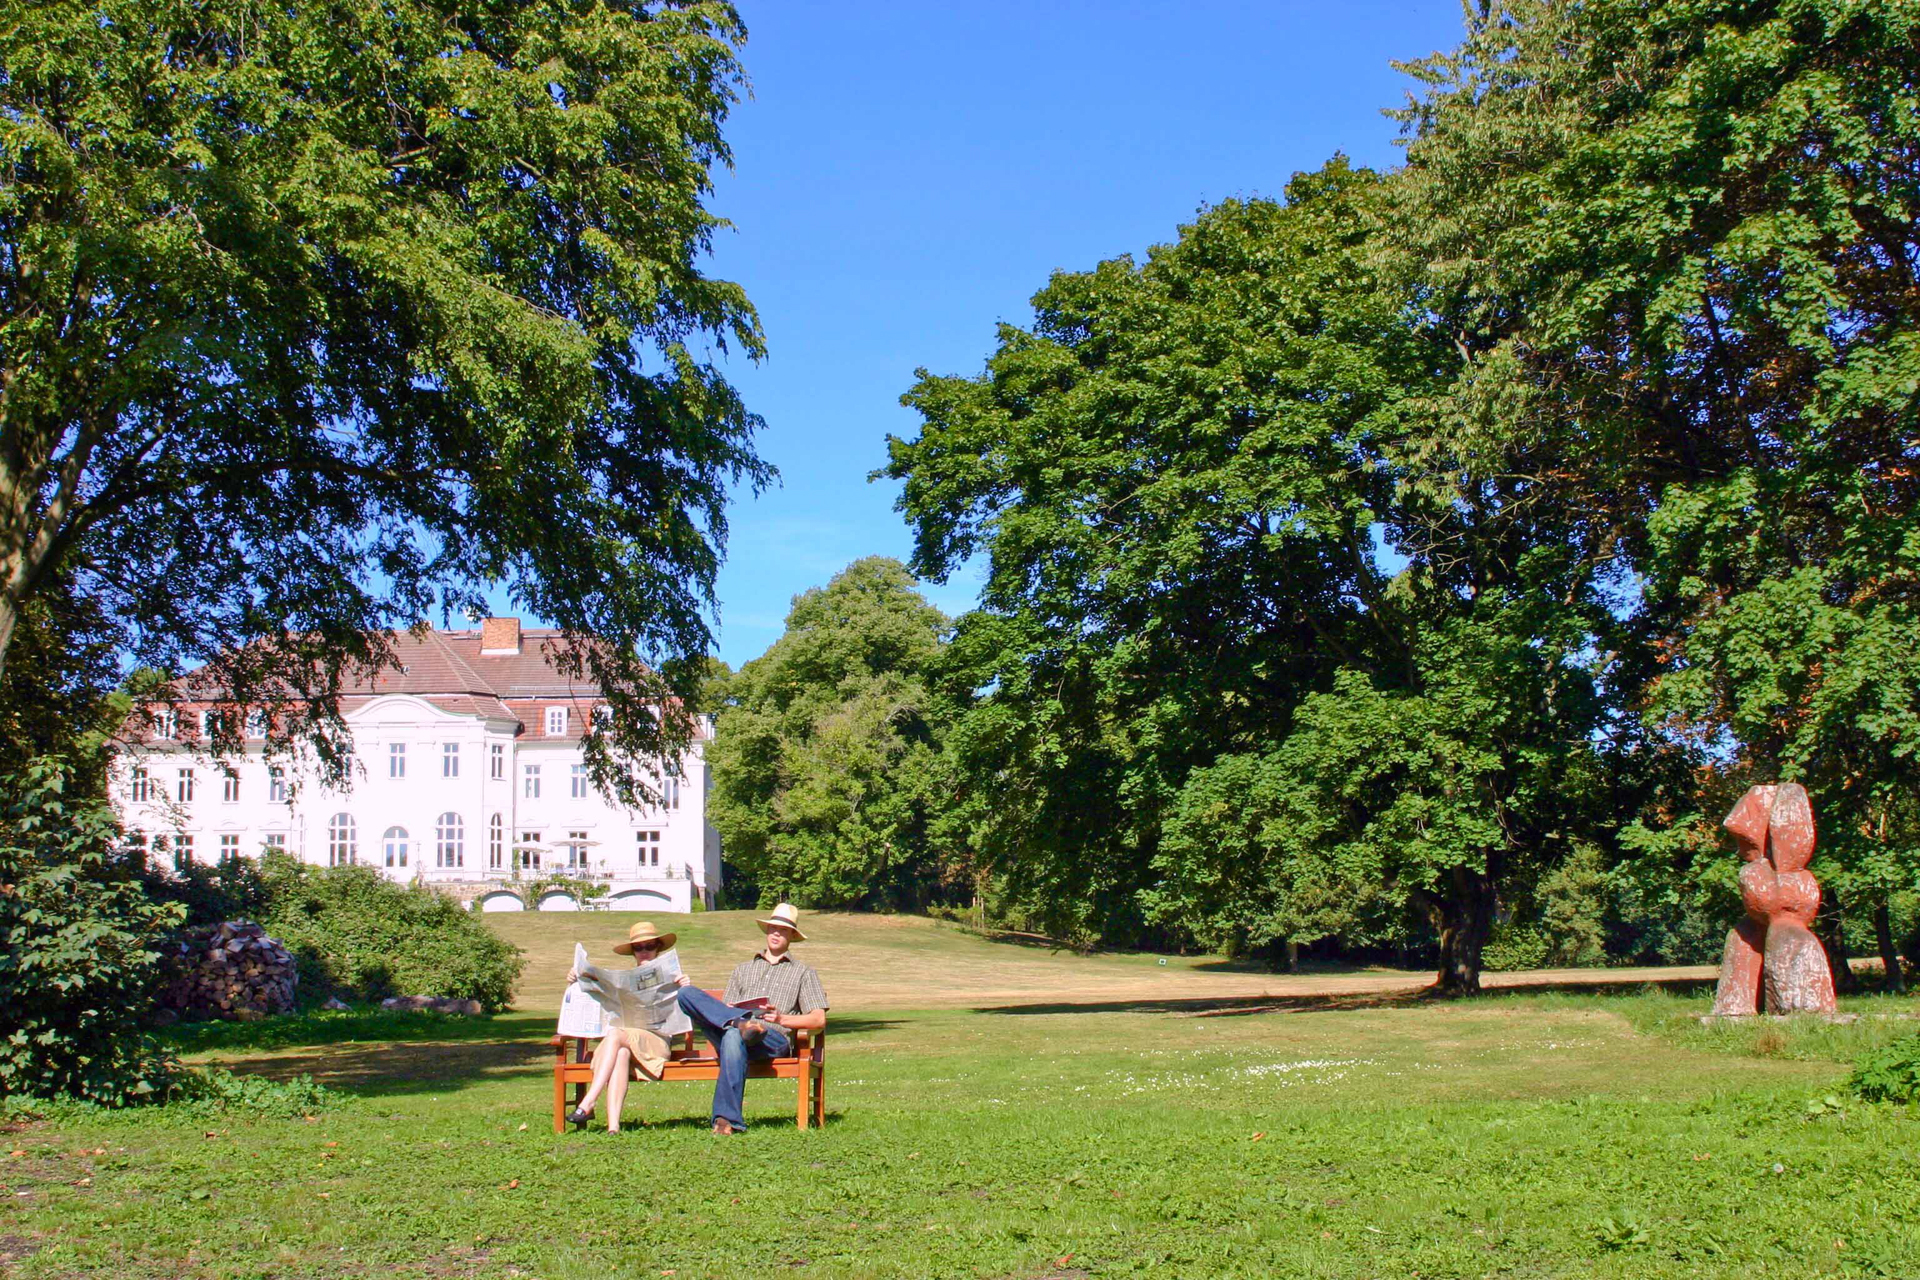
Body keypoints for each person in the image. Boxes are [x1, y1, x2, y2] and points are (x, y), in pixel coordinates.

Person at [674, 903, 829, 1135]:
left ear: (792, 936)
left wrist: (780, 1018)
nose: (777, 933)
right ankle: (740, 1023)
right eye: (773, 928)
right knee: (687, 994)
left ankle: (725, 1120)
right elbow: (723, 1009)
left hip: (771, 1040)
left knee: (734, 1035)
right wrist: (733, 1014)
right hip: (733, 1034)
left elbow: (818, 1020)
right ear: (767, 931)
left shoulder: (803, 972)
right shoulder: (742, 969)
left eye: (783, 930)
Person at [563, 920, 690, 1133]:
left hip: (655, 1043)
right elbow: (581, 1002)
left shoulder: (672, 976)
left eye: (650, 946)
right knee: (621, 1051)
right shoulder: (623, 980)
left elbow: (689, 1008)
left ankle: (589, 1101)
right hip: (624, 1043)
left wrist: (686, 988)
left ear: (658, 948)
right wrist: (574, 981)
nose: (644, 951)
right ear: (633, 951)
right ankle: (614, 1127)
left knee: (616, 1035)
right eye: (638, 948)